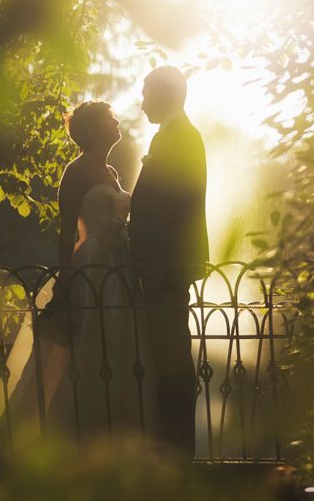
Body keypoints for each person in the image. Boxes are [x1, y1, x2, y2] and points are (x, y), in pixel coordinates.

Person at [0, 101, 160, 456]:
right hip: (92, 267)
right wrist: (65, 282)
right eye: (110, 119)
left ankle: (115, 433)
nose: (117, 123)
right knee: (85, 348)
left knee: (119, 345)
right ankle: (69, 436)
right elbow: (67, 232)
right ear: (94, 129)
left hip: (118, 268)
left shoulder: (111, 172)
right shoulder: (76, 171)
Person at [129, 66, 209, 459]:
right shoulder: (173, 136)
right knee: (166, 352)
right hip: (162, 265)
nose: (142, 103)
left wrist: (160, 264)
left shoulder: (180, 138)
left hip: (165, 267)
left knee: (171, 354)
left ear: (168, 94)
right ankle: (171, 445)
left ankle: (177, 450)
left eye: (147, 94)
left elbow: (178, 206)